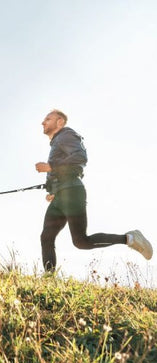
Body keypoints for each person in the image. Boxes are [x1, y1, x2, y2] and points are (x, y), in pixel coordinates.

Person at [35, 109, 152, 272]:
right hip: (60, 195)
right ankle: (48, 279)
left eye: (48, 119)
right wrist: (52, 190)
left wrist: (51, 166)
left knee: (81, 241)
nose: (43, 122)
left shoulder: (66, 135)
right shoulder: (57, 142)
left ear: (59, 122)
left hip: (72, 192)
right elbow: (63, 171)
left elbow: (80, 158)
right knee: (46, 237)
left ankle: (130, 238)